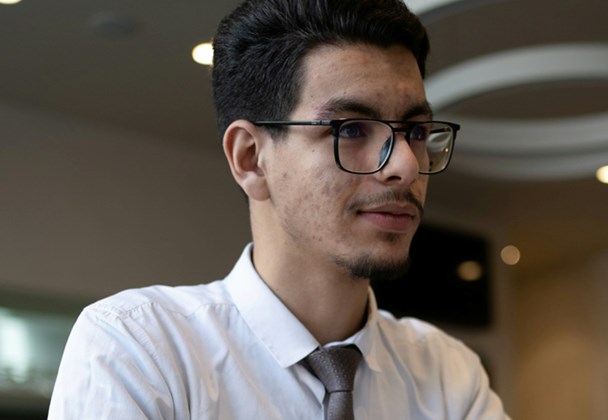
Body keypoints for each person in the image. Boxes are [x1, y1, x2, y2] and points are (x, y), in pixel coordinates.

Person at [48, 0, 508, 418]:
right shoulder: (142, 350)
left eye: (416, 132)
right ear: (251, 158)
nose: (405, 166)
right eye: (351, 130)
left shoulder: (448, 375)